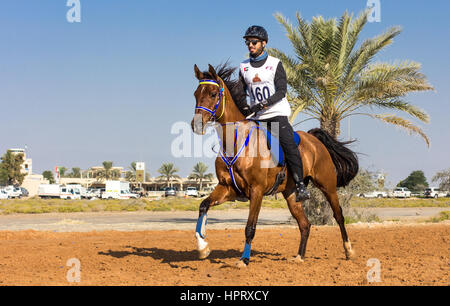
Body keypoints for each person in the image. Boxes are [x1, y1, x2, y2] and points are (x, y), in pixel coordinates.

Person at [237, 25, 310, 201]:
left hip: (276, 113)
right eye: (248, 42)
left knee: (288, 144)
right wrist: (244, 106)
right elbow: (240, 91)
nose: (250, 45)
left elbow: (281, 91)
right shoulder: (243, 66)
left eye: (254, 42)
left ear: (264, 43)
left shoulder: (275, 64)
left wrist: (262, 104)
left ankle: (300, 185)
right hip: (255, 117)